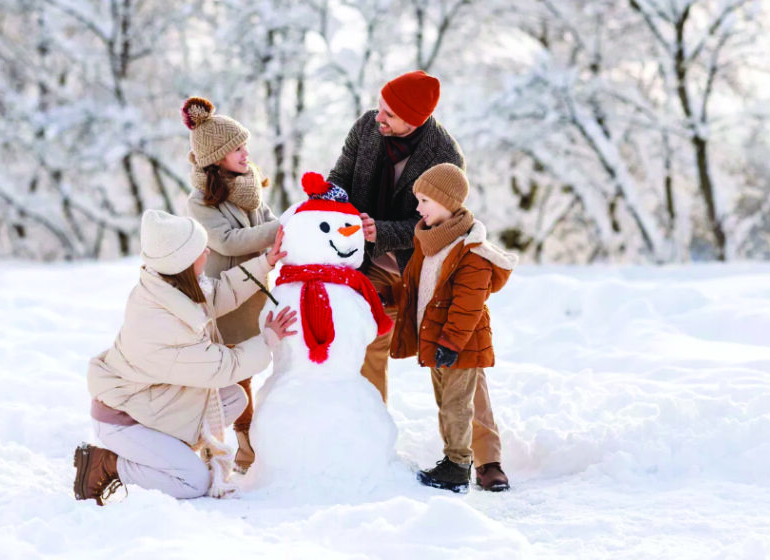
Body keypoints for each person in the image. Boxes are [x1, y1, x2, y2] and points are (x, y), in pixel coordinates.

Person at [327, 70, 510, 490]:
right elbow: (340, 176)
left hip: (426, 267)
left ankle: (486, 459)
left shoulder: (444, 155)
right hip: (371, 262)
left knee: (465, 357)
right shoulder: (366, 127)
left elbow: (437, 220)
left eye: (390, 113)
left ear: (415, 118)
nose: (379, 117)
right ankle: (369, 444)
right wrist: (328, 201)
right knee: (366, 340)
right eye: (381, 106)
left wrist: (384, 230)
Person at [73, 209, 296, 505]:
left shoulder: (172, 288)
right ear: (181, 262)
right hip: (124, 420)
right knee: (193, 481)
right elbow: (221, 367)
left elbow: (219, 294)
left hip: (154, 403)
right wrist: (267, 340)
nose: (206, 251)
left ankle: (171, 455)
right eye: (198, 250)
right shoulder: (160, 325)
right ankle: (107, 463)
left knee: (233, 399)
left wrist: (265, 262)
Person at [390, 164, 516, 492]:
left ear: (447, 202)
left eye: (424, 200)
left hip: (458, 343)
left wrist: (451, 341)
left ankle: (459, 465)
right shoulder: (430, 243)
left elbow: (468, 304)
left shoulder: (471, 252)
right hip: (436, 341)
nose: (418, 208)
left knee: (458, 404)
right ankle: (453, 460)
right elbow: (417, 288)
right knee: (447, 403)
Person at [182, 96, 280, 473]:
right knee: (237, 375)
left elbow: (266, 224)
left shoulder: (249, 188)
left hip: (257, 291)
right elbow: (229, 242)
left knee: (254, 369)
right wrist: (279, 231)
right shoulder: (201, 201)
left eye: (245, 146)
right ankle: (240, 448)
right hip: (228, 297)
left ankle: (254, 444)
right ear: (216, 155)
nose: (245, 153)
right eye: (236, 148)